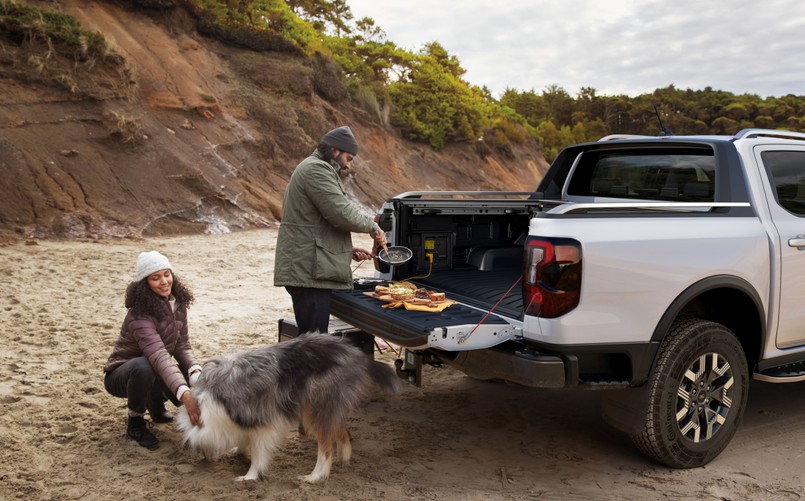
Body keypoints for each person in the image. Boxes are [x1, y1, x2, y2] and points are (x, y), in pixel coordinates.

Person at [274, 125, 388, 334]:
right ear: (335, 151)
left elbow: (316, 223)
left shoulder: (314, 167)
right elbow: (339, 213)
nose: (348, 165)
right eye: (349, 158)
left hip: (310, 269)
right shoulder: (316, 169)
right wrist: (373, 227)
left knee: (313, 342)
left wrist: (347, 250)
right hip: (308, 274)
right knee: (314, 345)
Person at [103, 251, 203, 450]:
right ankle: (135, 423)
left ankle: (155, 403)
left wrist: (195, 371)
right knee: (145, 366)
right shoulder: (138, 315)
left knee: (193, 377)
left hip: (155, 367)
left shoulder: (178, 304)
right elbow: (158, 355)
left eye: (167, 274)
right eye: (155, 278)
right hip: (122, 375)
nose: (164, 281)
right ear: (145, 284)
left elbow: (182, 346)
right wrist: (185, 395)